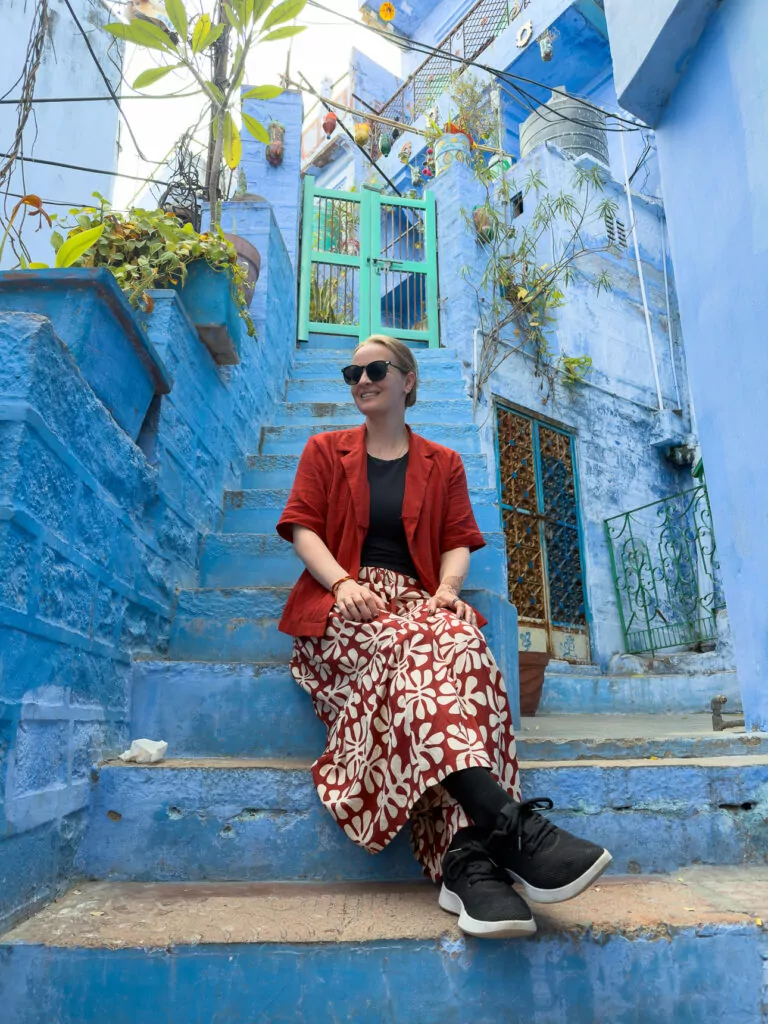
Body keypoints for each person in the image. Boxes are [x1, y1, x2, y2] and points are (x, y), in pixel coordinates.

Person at [276, 334, 611, 939]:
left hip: (417, 602)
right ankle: (505, 828)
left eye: (375, 369)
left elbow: (457, 539)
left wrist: (449, 590)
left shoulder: (443, 463)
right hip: (342, 611)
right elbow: (304, 529)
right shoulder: (324, 450)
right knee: (410, 650)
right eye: (352, 372)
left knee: (462, 646)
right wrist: (343, 584)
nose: (361, 380)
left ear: (407, 380)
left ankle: (465, 863)